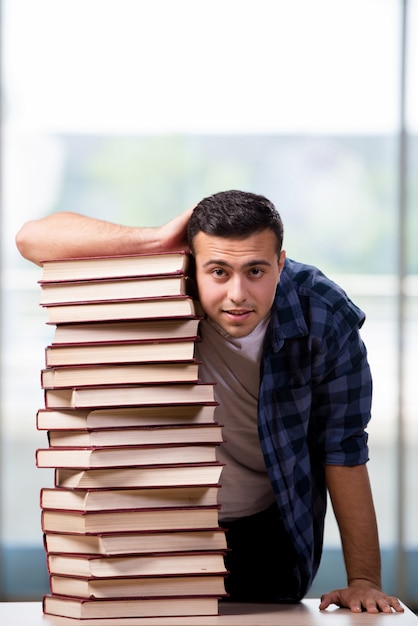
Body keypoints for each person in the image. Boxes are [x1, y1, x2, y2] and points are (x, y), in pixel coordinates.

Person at [16, 190, 403, 614]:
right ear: (190, 264)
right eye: (218, 271)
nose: (237, 293)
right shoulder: (159, 284)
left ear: (281, 263)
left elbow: (343, 446)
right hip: (153, 522)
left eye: (255, 270)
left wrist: (364, 580)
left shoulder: (323, 314)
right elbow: (31, 239)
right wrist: (158, 239)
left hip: (266, 528)